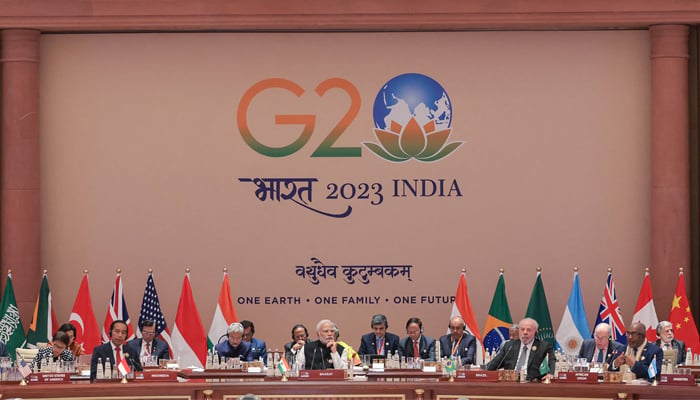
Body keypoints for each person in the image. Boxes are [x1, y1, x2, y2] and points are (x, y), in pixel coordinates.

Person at [486, 317, 555, 381]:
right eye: (522, 329)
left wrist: (550, 374)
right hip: (511, 383)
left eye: (529, 330)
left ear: (536, 332)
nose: (525, 332)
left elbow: (551, 361)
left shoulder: (544, 346)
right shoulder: (509, 346)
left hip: (533, 383)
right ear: (519, 331)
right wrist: (481, 370)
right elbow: (492, 365)